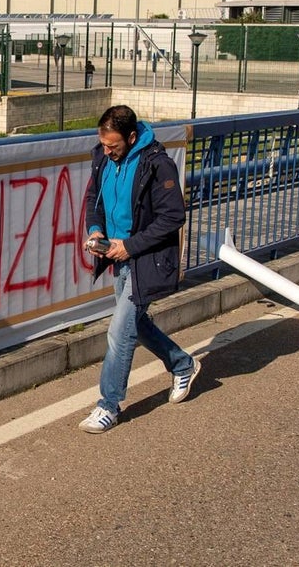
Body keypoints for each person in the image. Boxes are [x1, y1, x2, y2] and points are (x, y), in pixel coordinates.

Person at [78, 104, 199, 434]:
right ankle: (182, 364)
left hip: (146, 260)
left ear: (132, 138)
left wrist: (129, 246)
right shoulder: (103, 157)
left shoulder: (157, 165)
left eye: (113, 146)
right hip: (116, 256)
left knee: (119, 331)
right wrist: (96, 230)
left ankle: (108, 405)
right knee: (135, 324)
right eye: (103, 145)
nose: (106, 152)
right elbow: (95, 199)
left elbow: (173, 217)